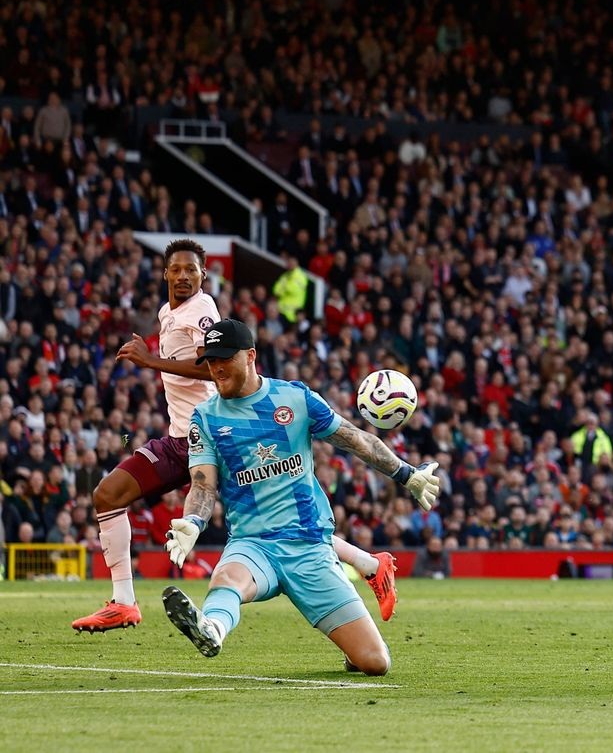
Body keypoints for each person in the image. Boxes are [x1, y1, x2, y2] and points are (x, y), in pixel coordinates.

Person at [72, 241, 395, 633]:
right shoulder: (168, 312)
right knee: (109, 495)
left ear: (203, 274)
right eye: (176, 269)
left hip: (215, 434)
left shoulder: (203, 310)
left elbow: (216, 368)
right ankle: (371, 565)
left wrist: (150, 360)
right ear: (164, 274)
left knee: (280, 526)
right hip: (182, 435)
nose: (183, 276)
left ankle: (126, 602)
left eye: (191, 269)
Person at [159, 319, 440, 674]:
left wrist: (406, 473)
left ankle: (354, 643)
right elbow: (202, 484)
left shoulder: (295, 399)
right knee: (227, 579)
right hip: (253, 544)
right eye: (210, 362)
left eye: (224, 359)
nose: (215, 369)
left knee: (375, 663)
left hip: (309, 548)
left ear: (250, 356)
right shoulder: (206, 417)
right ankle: (212, 628)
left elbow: (355, 439)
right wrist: (194, 522)